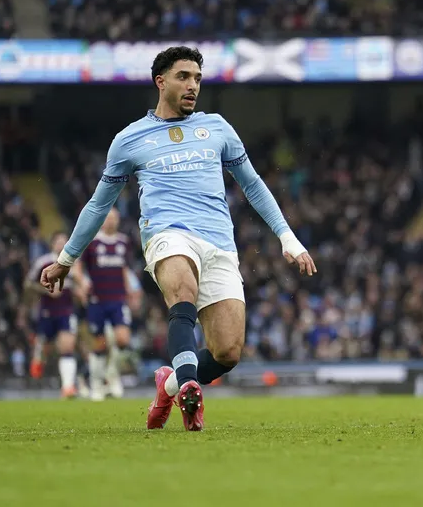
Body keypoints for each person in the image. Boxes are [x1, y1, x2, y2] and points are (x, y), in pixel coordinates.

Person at [40, 46, 315, 431]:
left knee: (227, 352)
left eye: (198, 78)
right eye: (183, 77)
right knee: (182, 289)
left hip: (219, 242)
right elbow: (99, 205)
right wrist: (66, 259)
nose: (193, 86)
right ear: (161, 82)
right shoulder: (130, 139)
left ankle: (169, 384)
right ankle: (189, 389)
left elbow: (252, 184)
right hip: (167, 235)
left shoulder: (217, 128)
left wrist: (287, 237)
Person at [80, 209, 134, 401]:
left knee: (123, 339)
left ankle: (112, 376)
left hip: (118, 298)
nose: (111, 221)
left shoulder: (123, 242)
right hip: (97, 299)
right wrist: (81, 282)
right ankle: (96, 384)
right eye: (108, 218)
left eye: (114, 218)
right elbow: (79, 265)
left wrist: (130, 290)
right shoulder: (93, 242)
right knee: (100, 344)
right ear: (102, 221)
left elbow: (124, 268)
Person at [26, 232, 87, 398]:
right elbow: (28, 283)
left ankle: (67, 387)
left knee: (67, 347)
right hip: (47, 312)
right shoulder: (43, 262)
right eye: (58, 242)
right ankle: (35, 378)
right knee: (42, 351)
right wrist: (45, 290)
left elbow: (79, 283)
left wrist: (80, 291)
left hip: (66, 311)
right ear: (52, 244)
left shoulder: (74, 263)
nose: (61, 245)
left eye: (64, 242)